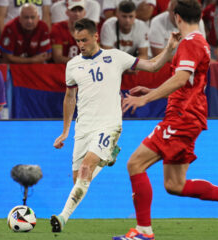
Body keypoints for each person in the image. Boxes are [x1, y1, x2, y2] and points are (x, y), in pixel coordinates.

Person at [114, 1, 218, 239]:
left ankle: (143, 232)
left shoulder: (191, 43)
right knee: (175, 185)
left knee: (135, 164)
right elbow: (185, 81)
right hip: (188, 116)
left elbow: (181, 79)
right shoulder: (196, 42)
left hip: (182, 117)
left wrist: (147, 98)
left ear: (175, 16)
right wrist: (155, 79)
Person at [50, 17, 180, 233]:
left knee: (85, 169)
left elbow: (153, 65)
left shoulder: (115, 57)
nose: (80, 45)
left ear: (95, 36)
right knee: (79, 181)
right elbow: (69, 98)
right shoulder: (72, 65)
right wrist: (65, 131)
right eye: (77, 41)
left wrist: (169, 48)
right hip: (83, 128)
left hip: (109, 124)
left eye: (84, 40)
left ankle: (62, 218)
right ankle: (109, 154)